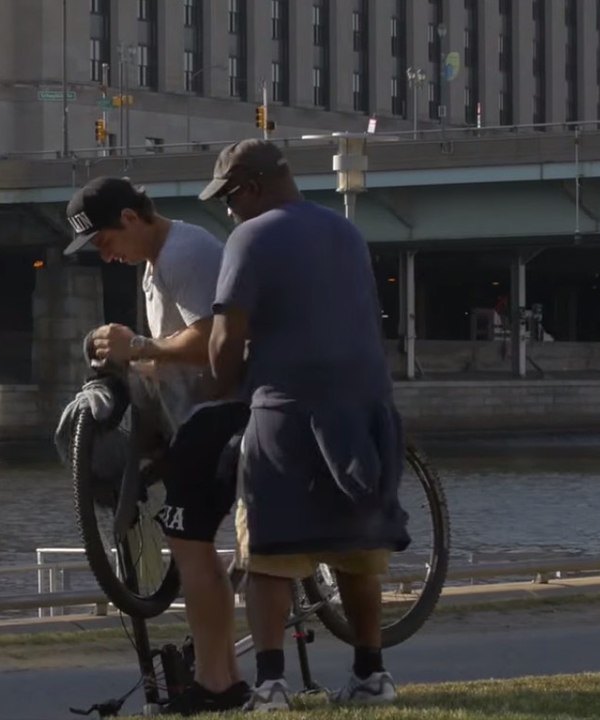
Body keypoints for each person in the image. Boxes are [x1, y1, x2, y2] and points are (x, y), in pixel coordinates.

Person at [200, 139, 411, 708]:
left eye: (228, 197)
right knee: (358, 549)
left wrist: (216, 387)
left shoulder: (251, 235)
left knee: (268, 554)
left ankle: (269, 685)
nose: (227, 209)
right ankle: (372, 675)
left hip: (285, 410)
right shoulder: (347, 233)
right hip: (364, 408)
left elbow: (225, 340)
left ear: (250, 187)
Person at [61, 176, 251, 714]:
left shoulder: (184, 252)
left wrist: (140, 344)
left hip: (223, 413)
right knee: (192, 542)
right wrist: (135, 360)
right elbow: (173, 351)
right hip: (200, 418)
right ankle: (223, 675)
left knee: (190, 543)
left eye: (104, 241)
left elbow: (216, 340)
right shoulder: (157, 263)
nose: (107, 255)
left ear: (129, 219)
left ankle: (218, 683)